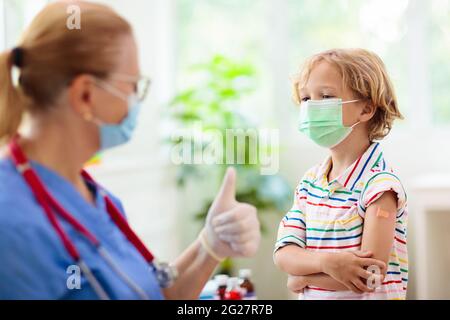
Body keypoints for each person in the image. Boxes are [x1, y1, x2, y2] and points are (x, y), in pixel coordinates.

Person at [0, 1, 260, 300]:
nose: (136, 100)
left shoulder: (99, 199)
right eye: (132, 85)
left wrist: (211, 245)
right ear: (85, 95)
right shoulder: (10, 222)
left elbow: (148, 293)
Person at [274, 48, 408, 300]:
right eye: (305, 99)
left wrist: (302, 276)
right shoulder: (309, 184)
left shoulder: (380, 187)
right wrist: (327, 263)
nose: (312, 106)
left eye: (325, 96)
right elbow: (284, 253)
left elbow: (369, 274)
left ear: (366, 109)